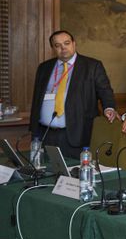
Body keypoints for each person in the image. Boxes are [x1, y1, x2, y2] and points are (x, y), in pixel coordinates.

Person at [28, 30, 117, 158]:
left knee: (73, 173)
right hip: (44, 134)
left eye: (66, 43)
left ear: (74, 44)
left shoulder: (92, 66)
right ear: (53, 48)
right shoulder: (44, 67)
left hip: (76, 133)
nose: (63, 48)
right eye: (57, 45)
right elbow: (37, 98)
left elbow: (105, 90)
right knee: (45, 172)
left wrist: (109, 107)